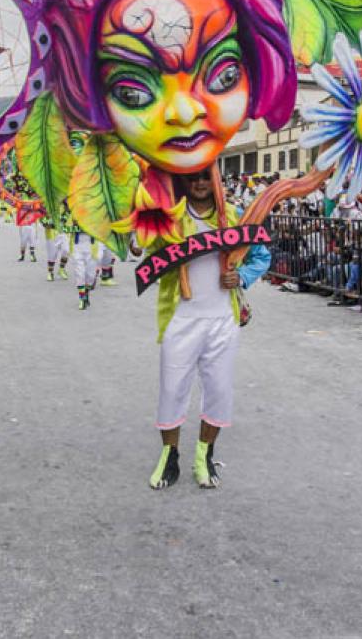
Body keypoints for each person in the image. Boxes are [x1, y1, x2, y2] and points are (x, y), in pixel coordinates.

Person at [148, 169, 271, 490]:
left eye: (206, 177)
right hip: (180, 317)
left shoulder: (233, 216)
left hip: (222, 320)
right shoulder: (169, 217)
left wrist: (241, 277)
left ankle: (204, 453)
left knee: (218, 389)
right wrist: (139, 244)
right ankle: (169, 454)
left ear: (215, 180)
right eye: (193, 177)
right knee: (172, 389)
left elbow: (261, 255)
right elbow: (148, 252)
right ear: (183, 182)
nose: (200, 183)